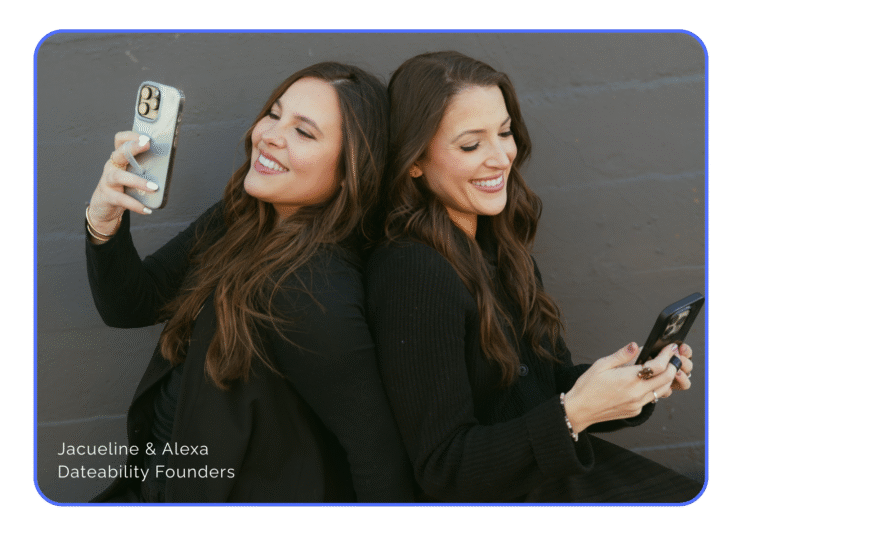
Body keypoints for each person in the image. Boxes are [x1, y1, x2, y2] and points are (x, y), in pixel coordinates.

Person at [365, 51, 702, 502]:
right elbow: (443, 467)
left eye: (504, 132)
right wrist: (572, 414)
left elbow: (543, 390)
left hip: (555, 478)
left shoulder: (501, 248)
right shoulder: (412, 271)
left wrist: (634, 384)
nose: (501, 157)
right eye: (470, 145)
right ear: (414, 161)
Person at [84, 62, 415, 502]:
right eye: (274, 114)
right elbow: (132, 305)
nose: (271, 135)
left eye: (304, 132)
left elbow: (378, 458)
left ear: (350, 171)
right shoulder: (243, 216)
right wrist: (104, 220)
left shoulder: (313, 288)